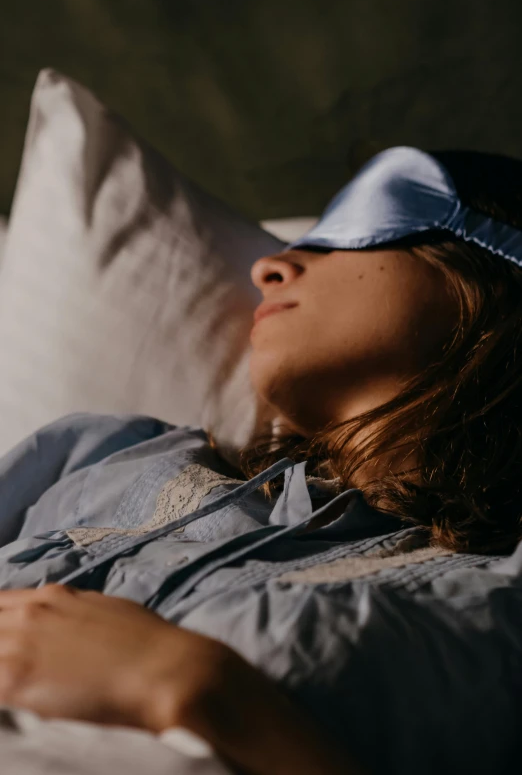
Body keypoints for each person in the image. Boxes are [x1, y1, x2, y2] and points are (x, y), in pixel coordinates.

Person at [0, 145, 521, 775]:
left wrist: (207, 688)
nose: (270, 266)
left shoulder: (501, 598)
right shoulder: (108, 455)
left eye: (347, 236)